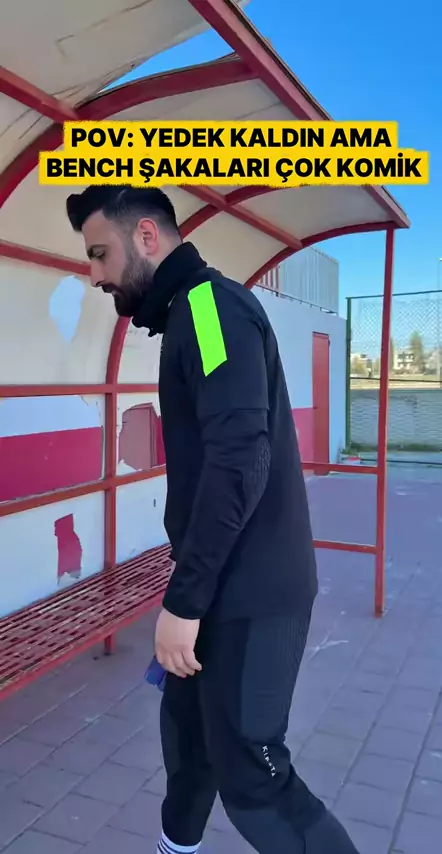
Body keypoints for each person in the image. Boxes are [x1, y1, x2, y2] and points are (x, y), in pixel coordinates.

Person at [66, 185, 359, 854]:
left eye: (100, 254)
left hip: (252, 595)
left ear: (147, 237)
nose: (95, 274)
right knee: (189, 745)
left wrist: (184, 601)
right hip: (219, 586)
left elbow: (238, 462)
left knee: (256, 782)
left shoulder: (207, 307)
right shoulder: (189, 314)